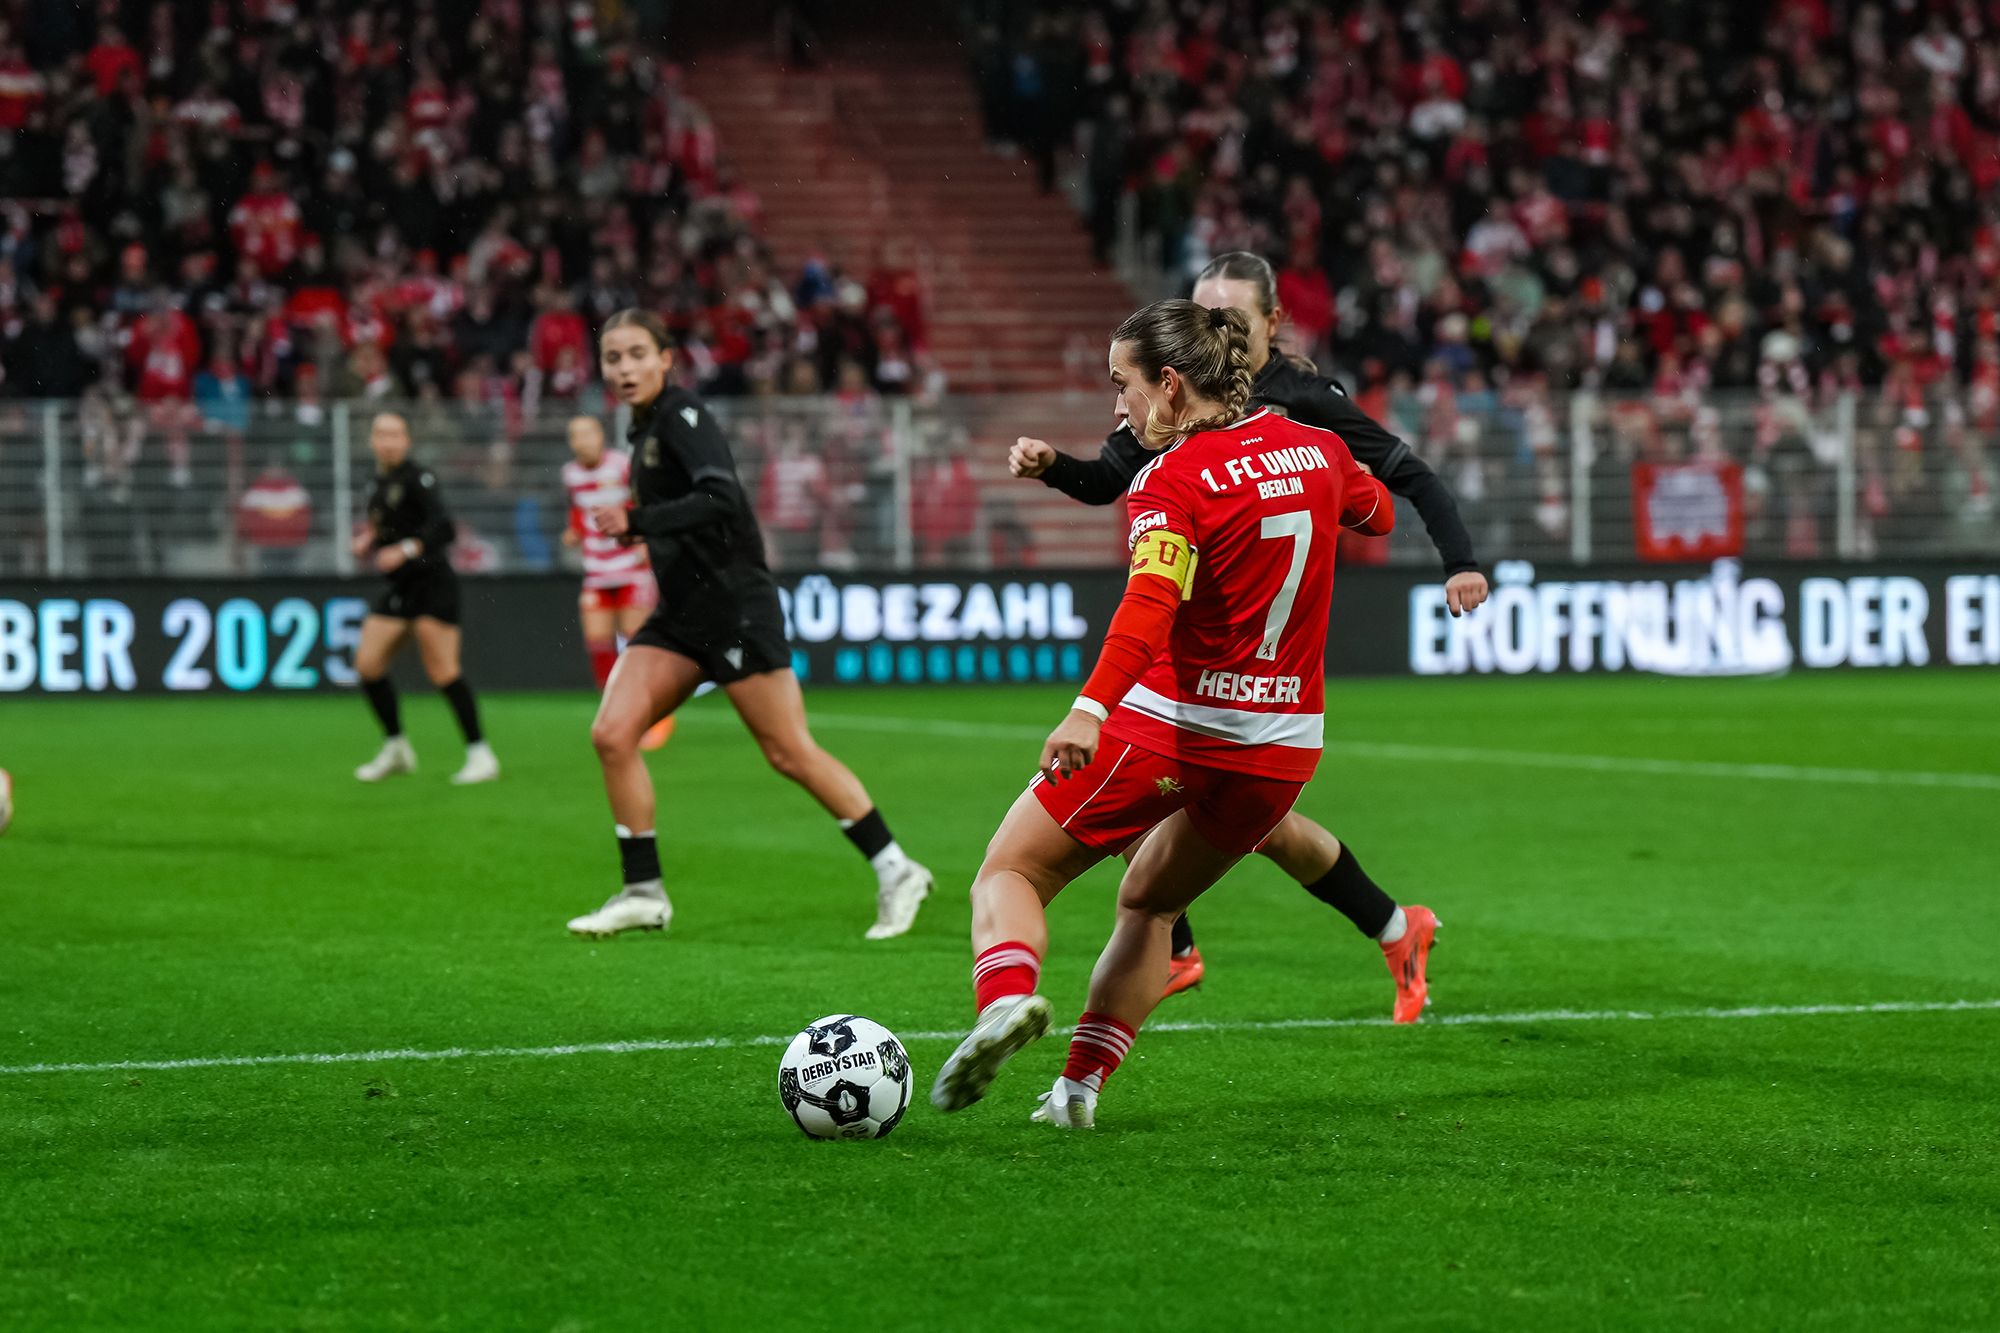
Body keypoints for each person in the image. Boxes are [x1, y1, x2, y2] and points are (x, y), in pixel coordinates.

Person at [932, 299, 1395, 1127]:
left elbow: (1149, 603)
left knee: (1012, 871)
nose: (1118, 406)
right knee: (1149, 905)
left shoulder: (1171, 480)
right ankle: (1076, 1092)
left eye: (1123, 385)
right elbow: (1379, 513)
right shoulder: (1319, 448)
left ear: (1172, 385)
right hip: (1281, 751)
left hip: (1174, 727)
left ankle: (1004, 1000)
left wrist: (1088, 710)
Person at [1008, 251, 1459, 1019]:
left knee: (1140, 822)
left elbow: (1396, 478)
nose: (1215, 326)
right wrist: (1056, 467)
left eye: (1232, 316)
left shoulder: (1302, 403)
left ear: (1269, 326)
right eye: (1203, 311)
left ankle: (1167, 945)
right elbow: (1108, 475)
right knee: (1264, 827)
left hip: (1231, 685)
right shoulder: (1172, 417)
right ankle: (1386, 925)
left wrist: (1462, 559)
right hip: (1265, 708)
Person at [565, 309, 933, 941]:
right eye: (612, 358)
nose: (623, 368)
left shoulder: (683, 417)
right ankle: (643, 891)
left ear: (666, 358)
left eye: (635, 355)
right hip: (682, 615)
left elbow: (722, 497)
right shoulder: (645, 427)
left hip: (734, 608)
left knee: (788, 752)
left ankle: (897, 869)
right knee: (612, 732)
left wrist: (638, 520)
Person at [350, 412, 500, 786]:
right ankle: (396, 747)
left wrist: (404, 549)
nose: (388, 441)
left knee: (443, 671)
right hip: (402, 588)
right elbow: (385, 521)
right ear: (372, 441)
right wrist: (369, 539)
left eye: (395, 434)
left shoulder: (419, 478)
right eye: (381, 434)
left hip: (433, 584)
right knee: (368, 665)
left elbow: (444, 527)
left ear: (407, 441)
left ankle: (480, 753)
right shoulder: (378, 482)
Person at [562, 414, 672, 751]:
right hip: (596, 570)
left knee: (637, 644)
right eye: (575, 436)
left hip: (629, 566)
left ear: (600, 436)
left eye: (587, 433)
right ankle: (617, 713)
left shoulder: (622, 465)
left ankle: (658, 714)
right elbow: (580, 510)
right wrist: (576, 530)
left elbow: (645, 501)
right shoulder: (571, 474)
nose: (582, 441)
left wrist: (645, 542)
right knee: (598, 643)